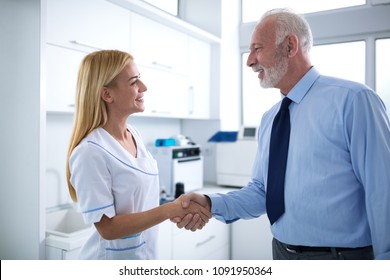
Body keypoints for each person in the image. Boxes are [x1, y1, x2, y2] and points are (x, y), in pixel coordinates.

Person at [173, 8, 390, 260]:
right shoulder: (270, 118)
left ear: (289, 46)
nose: (249, 61)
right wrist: (211, 203)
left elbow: (383, 190)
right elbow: (261, 192)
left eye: (257, 48)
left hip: (341, 258)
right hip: (281, 253)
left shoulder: (354, 101)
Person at [65, 50, 211, 260]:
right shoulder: (90, 151)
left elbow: (142, 203)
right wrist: (170, 210)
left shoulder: (133, 135)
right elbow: (108, 229)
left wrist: (180, 208)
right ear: (107, 94)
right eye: (134, 82)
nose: (144, 88)